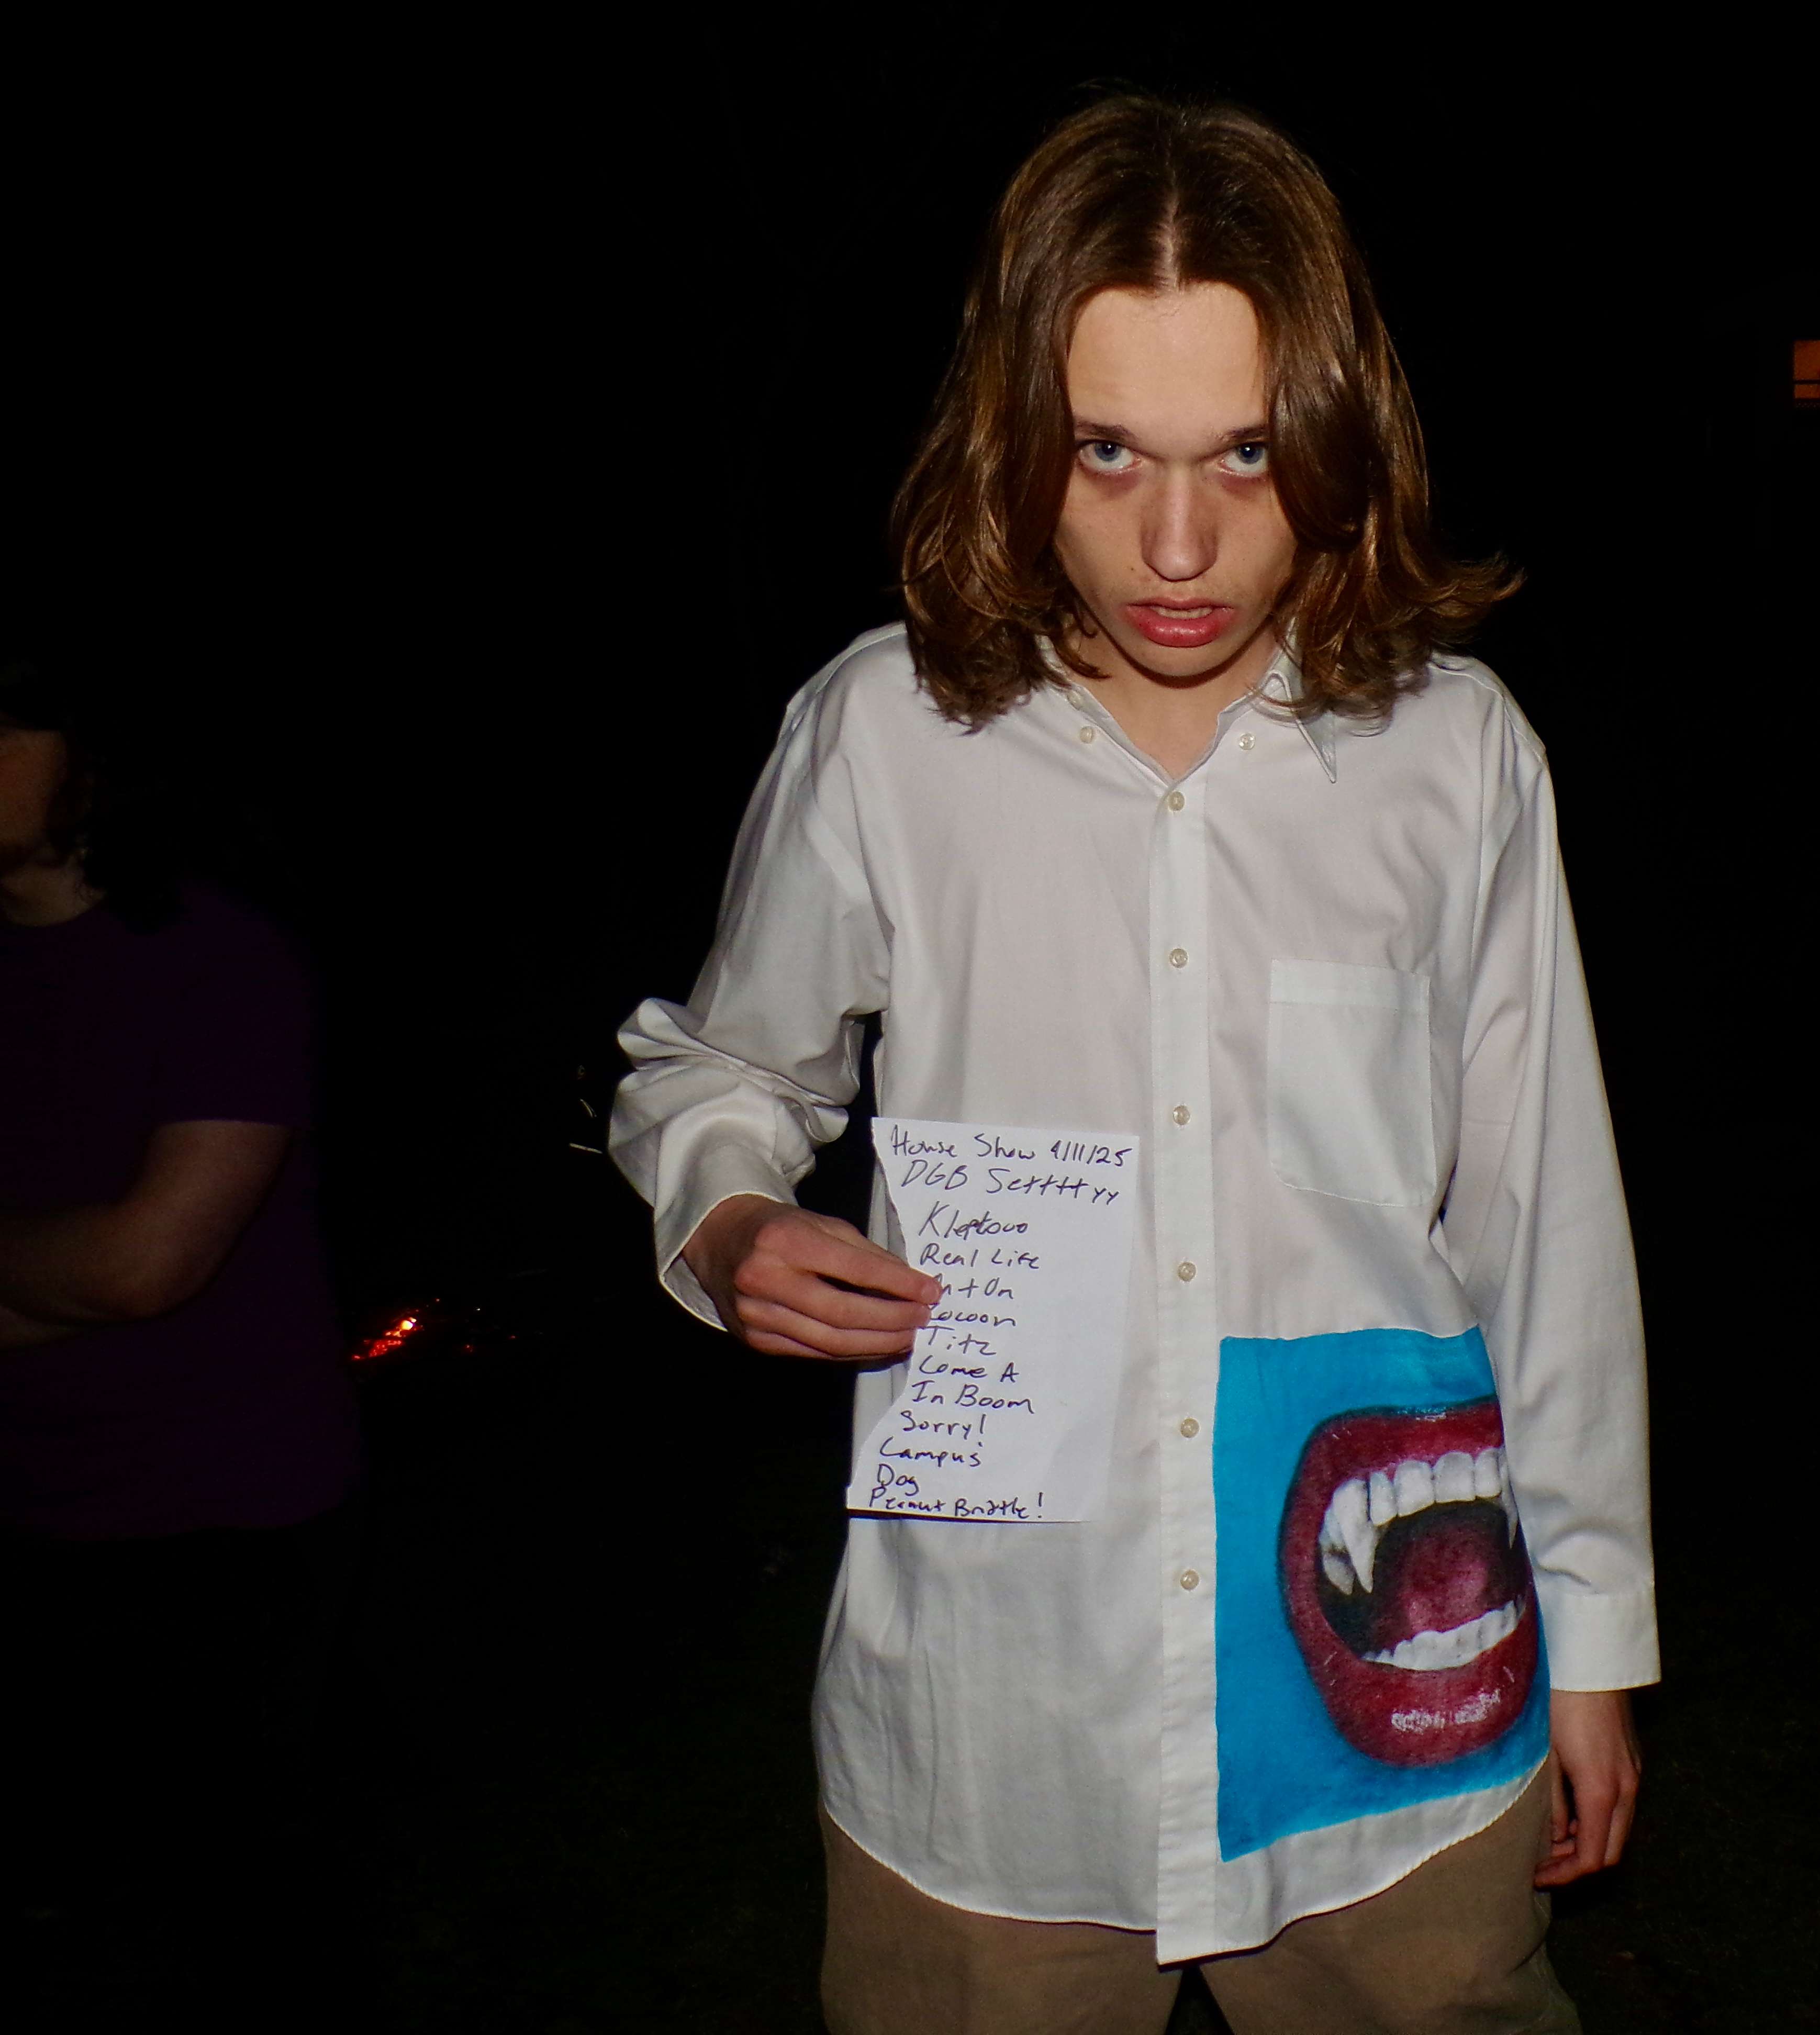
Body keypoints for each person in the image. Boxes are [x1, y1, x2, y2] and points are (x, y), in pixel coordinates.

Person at [611, 95, 1654, 2033]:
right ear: (1017, 441)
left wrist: (1595, 1636)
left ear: (1335, 442)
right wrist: (730, 1210)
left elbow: (1541, 1222)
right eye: (1105, 454)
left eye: (1247, 456)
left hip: (1387, 1724)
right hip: (993, 1737)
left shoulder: (1455, 752)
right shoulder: (884, 733)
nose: (1177, 544)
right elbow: (710, 1070)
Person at [0, 660, 362, 2015]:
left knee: (255, 1918)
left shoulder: (215, 958)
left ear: (94, 752)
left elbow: (153, 1260)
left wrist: (86, 1274)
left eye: (6, 725)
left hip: (228, 1528)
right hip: (30, 1516)